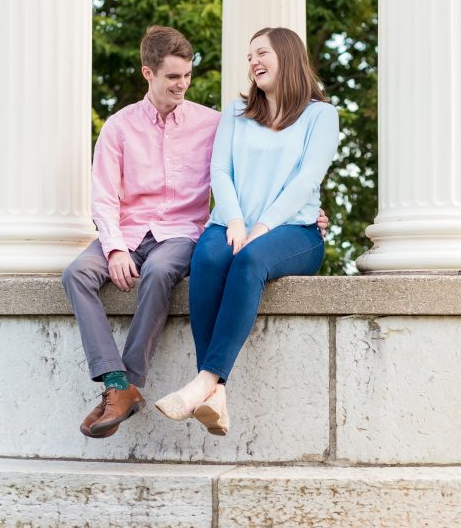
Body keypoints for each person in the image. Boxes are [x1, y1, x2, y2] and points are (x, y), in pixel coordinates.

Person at [154, 27, 339, 436]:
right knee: (209, 256)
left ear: (287, 56)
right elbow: (220, 169)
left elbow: (306, 180)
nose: (254, 61)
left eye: (263, 53)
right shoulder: (237, 113)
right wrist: (234, 220)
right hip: (232, 222)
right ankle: (214, 393)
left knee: (250, 260)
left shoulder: (320, 115)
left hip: (294, 231)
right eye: (250, 55)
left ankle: (204, 382)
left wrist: (263, 226)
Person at [61, 26, 221, 439]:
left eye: (187, 75)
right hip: (129, 233)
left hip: (181, 233)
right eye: (172, 77)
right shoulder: (119, 126)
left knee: (158, 273)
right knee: (75, 273)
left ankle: (127, 383)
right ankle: (117, 384)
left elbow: (250, 173)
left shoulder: (212, 124)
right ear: (147, 73)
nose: (182, 85)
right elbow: (103, 195)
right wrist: (114, 249)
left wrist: (306, 211)